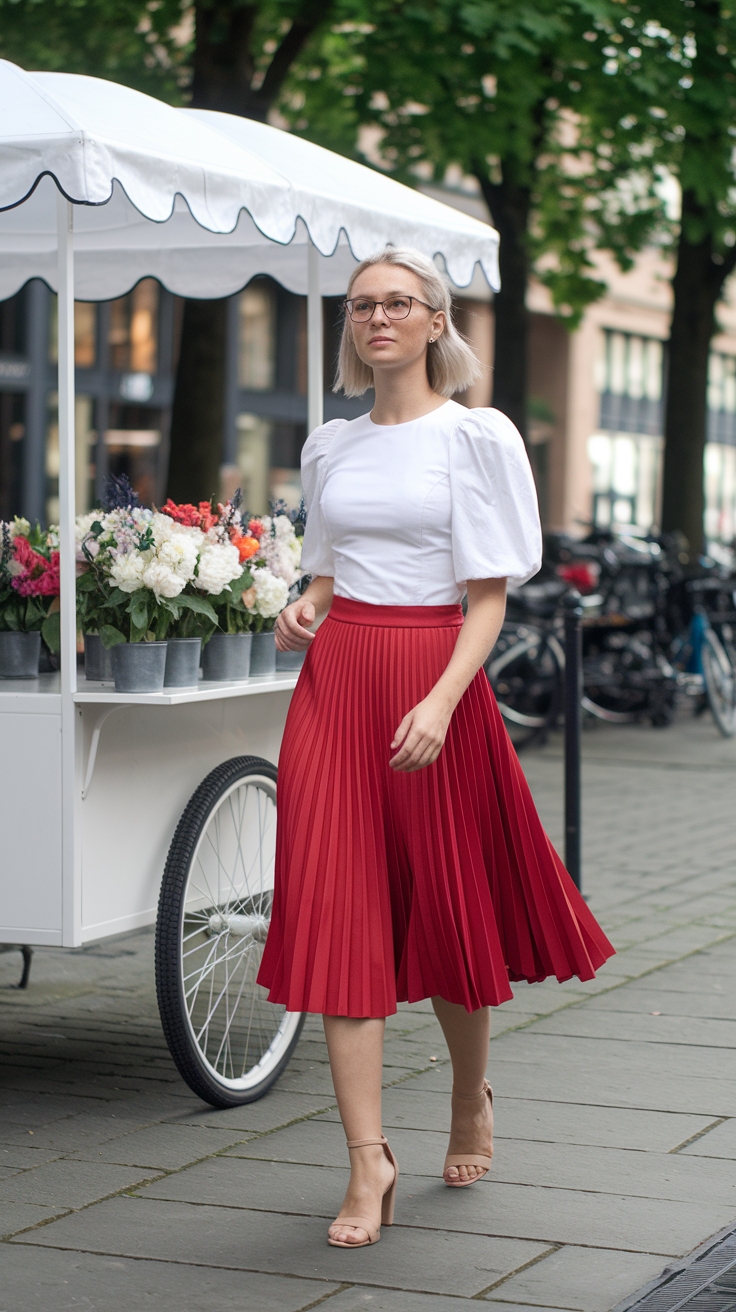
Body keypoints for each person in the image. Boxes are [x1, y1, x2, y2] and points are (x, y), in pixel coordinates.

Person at [257, 246, 614, 1250]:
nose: (376, 318)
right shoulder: (329, 445)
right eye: (361, 304)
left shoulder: (477, 436)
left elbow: (487, 595)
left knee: (450, 909)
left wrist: (445, 702)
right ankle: (368, 1159)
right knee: (336, 908)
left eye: (396, 303)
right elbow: (326, 575)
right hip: (337, 684)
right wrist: (302, 609)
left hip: (433, 681)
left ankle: (467, 1095)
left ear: (432, 321)